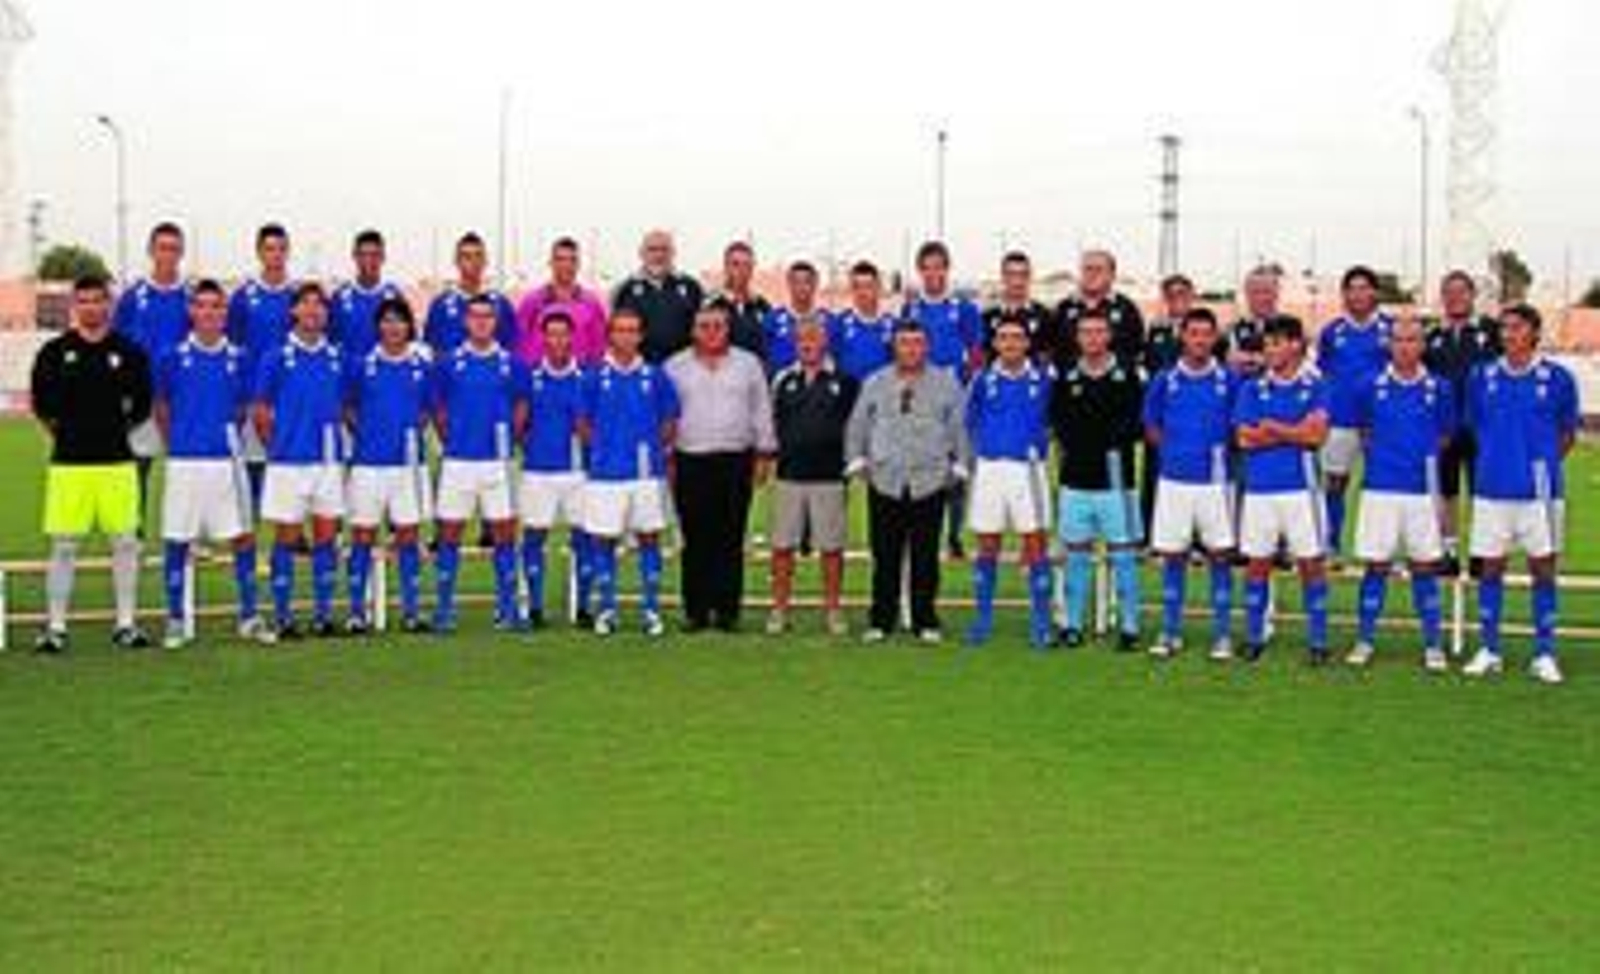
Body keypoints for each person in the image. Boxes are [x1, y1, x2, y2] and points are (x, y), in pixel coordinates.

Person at [29, 274, 153, 653]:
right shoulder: (54, 352)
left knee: (125, 544)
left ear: (109, 305)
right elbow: (43, 406)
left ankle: (126, 624)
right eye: (83, 301)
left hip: (118, 463)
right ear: (74, 306)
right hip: (69, 465)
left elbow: (142, 406)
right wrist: (70, 434)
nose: (90, 307)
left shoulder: (129, 353)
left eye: (98, 300)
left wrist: (111, 432)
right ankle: (56, 627)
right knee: (64, 546)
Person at [1462, 305, 1579, 685]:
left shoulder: (1558, 378)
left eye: (1517, 328)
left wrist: (1536, 464)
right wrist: (1502, 459)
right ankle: (1489, 649)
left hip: (1540, 493)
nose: (1508, 334)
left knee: (1543, 569)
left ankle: (1544, 653)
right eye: (1504, 328)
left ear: (1534, 332)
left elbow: (1566, 435)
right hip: (1491, 489)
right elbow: (1476, 426)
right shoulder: (1482, 376)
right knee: (1490, 568)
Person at [153, 280, 272, 649]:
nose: (209, 313)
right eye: (202, 306)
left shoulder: (239, 358)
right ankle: (175, 619)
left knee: (242, 535)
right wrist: (180, 441)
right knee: (177, 537)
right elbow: (162, 407)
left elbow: (241, 409)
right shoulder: (171, 356)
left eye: (216, 307)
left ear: (225, 314)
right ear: (192, 311)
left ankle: (249, 616)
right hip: (184, 461)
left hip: (226, 460)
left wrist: (221, 436)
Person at [845, 319, 969, 643]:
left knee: (926, 556)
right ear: (894, 346)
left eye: (917, 342)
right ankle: (881, 619)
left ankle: (925, 618)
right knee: (885, 555)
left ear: (926, 346)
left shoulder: (946, 383)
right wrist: (858, 462)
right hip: (885, 478)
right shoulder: (875, 382)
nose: (911, 349)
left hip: (929, 480)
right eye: (904, 342)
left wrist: (958, 469)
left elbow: (960, 428)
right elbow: (858, 424)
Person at [1346, 314, 1455, 672]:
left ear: (1422, 345)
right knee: (1375, 565)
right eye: (1398, 339)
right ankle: (1364, 639)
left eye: (1412, 340)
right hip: (1380, 487)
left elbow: (1444, 435)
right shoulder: (1368, 385)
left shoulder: (1439, 387)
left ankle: (1433, 644)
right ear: (1389, 344)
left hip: (1422, 490)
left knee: (1424, 565)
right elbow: (1363, 431)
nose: (1405, 346)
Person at [665, 303, 776, 632]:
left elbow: (761, 409)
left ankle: (727, 611)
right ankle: (696, 611)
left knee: (730, 536)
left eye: (718, 325)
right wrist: (668, 456)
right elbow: (667, 416)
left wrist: (765, 453)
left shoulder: (748, 364)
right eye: (704, 326)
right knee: (695, 537)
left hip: (735, 458)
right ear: (693, 330)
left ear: (728, 329)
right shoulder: (676, 366)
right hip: (690, 459)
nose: (711, 332)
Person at [1233, 316, 1331, 664]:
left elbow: (1316, 437)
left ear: (1296, 345)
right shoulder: (1251, 388)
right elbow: (1244, 438)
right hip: (1259, 489)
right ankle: (1255, 635)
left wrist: (1272, 427)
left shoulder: (1316, 385)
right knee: (1257, 564)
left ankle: (1318, 640)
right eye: (1267, 344)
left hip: (1301, 489)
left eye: (1277, 343)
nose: (1270, 350)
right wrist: (1293, 430)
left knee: (1310, 563)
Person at [252, 282, 347, 640]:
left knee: (326, 538)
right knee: (287, 539)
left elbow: (347, 405)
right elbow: (259, 408)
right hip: (289, 461)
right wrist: (276, 446)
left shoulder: (337, 356)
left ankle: (323, 614)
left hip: (327, 461)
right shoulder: (276, 356)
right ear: (293, 312)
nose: (313, 310)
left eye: (319, 305)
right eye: (305, 304)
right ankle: (283, 615)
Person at [579, 307, 680, 638]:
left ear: (640, 335)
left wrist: (650, 448)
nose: (626, 336)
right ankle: (607, 610)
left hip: (646, 474)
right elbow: (583, 424)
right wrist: (605, 449)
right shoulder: (593, 376)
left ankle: (651, 610)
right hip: (606, 474)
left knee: (649, 538)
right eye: (620, 330)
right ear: (611, 334)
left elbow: (669, 421)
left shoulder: (656, 376)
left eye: (632, 330)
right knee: (603, 541)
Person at [1144, 308, 1238, 661]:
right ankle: (1170, 631)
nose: (1199, 340)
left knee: (1220, 556)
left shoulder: (1228, 380)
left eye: (1206, 333)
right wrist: (1171, 450)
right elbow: (1151, 423)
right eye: (1193, 333)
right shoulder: (1164, 380)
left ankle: (1223, 633)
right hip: (1173, 481)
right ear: (1182, 337)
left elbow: (1238, 424)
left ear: (1214, 338)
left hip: (1215, 482)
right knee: (1173, 556)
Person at [431, 295, 528, 632]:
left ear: (496, 321)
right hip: (458, 461)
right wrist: (452, 439)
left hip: (498, 463)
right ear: (466, 321)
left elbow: (521, 406)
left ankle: (507, 607)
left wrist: (510, 440)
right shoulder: (448, 362)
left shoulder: (511, 363)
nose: (482, 322)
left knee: (504, 534)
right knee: (450, 535)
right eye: (476, 316)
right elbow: (438, 409)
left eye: (488, 316)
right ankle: (444, 608)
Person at [1050, 308, 1145, 650]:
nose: (1092, 338)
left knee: (1123, 553)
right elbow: (1058, 425)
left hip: (1117, 482)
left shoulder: (1129, 376)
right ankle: (1073, 624)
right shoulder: (1065, 378)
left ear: (1109, 336)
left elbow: (1135, 426)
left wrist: (1106, 442)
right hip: (1074, 479)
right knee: (1076, 552)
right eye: (1085, 332)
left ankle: (1130, 627)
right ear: (1078, 337)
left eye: (1098, 331)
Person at [344, 298, 435, 634]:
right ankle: (357, 611)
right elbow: (348, 408)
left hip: (408, 465)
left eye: (399, 321)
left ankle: (411, 610)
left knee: (408, 536)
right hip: (368, 464)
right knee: (363, 535)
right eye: (387, 321)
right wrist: (367, 435)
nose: (393, 327)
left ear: (409, 327)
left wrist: (408, 434)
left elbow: (428, 410)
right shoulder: (361, 365)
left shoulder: (421, 367)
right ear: (378, 327)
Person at [963, 317, 1055, 650]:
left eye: (1017, 338)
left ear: (1027, 343)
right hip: (990, 469)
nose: (1011, 343)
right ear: (996, 344)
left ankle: (1041, 621)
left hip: (1028, 469)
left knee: (1035, 544)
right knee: (987, 544)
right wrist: (986, 447)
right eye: (1004, 338)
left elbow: (1054, 420)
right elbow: (969, 420)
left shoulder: (1043, 379)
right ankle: (982, 619)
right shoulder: (982, 379)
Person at [768, 316, 858, 636]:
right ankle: (779, 608)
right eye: (802, 338)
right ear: (795, 343)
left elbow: (854, 427)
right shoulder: (782, 380)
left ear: (825, 342)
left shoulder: (845, 382)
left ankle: (833, 609)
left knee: (831, 548)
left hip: (830, 476)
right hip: (789, 475)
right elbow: (773, 423)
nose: (808, 344)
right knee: (782, 547)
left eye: (814, 338)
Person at [903, 240, 983, 559]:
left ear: (946, 270)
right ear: (920, 271)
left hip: (954, 395)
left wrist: (964, 381)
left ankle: (954, 534)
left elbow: (977, 352)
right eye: (927, 268)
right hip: (922, 396)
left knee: (957, 468)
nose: (933, 274)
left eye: (939, 267)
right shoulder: (912, 309)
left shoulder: (963, 308)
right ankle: (925, 532)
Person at [517, 310, 593, 629]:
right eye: (552, 334)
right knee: (534, 537)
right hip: (538, 471)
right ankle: (534, 607)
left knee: (584, 538)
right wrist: (531, 446)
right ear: (543, 339)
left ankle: (583, 607)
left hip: (577, 473)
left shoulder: (587, 379)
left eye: (564, 334)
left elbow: (595, 427)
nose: (558, 340)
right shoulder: (530, 378)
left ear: (572, 339)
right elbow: (518, 423)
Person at [1424, 269, 1501, 571]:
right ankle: (1449, 552)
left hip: (1482, 427)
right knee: (1446, 491)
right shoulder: (1433, 337)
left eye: (1461, 291)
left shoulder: (1491, 331)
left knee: (1481, 491)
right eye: (1449, 292)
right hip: (1444, 427)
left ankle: (1481, 552)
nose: (1455, 297)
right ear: (1443, 298)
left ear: (1472, 295)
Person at [114, 221, 190, 522]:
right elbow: (117, 345)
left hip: (181, 397)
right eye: (162, 248)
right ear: (151, 251)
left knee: (184, 469)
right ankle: (135, 532)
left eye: (174, 249)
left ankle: (187, 535)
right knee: (139, 466)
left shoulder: (191, 296)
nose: (168, 255)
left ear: (181, 253)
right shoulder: (134, 296)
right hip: (142, 393)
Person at [1317, 265, 1393, 557]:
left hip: (1380, 422)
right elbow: (1324, 374)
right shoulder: (1332, 332)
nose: (1358, 294)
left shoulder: (1390, 329)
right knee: (1335, 483)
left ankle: (1381, 550)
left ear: (1375, 292)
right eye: (1352, 288)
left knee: (1384, 486)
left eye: (1364, 287)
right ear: (1344, 294)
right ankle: (1331, 543)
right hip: (1341, 419)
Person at [227, 223, 297, 506]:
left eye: (281, 249)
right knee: (254, 457)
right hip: (254, 391)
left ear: (287, 252)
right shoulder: (244, 296)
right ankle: (253, 520)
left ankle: (292, 526)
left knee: (290, 459)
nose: (275, 255)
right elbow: (233, 344)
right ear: (259, 252)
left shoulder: (298, 296)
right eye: (269, 249)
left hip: (289, 392)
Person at [1141, 273, 1197, 531]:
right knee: (1155, 473)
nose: (1178, 300)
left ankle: (1194, 536)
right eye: (1171, 295)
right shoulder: (1156, 330)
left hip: (1193, 415)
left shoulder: (1204, 332)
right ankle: (1153, 532)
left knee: (1193, 476)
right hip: (1161, 415)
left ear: (1191, 297)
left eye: (1182, 294)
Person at [612, 229, 704, 363]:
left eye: (664, 249)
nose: (658, 255)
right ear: (641, 253)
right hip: (641, 367)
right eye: (652, 249)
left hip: (683, 367)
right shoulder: (625, 289)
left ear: (673, 253)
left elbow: (702, 329)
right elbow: (615, 334)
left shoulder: (691, 287)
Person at [514, 236, 608, 367]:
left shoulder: (592, 304)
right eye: (560, 259)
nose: (566, 265)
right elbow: (519, 345)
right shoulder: (531, 301)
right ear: (550, 263)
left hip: (579, 381)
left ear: (578, 265)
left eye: (572, 260)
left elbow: (599, 348)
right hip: (539, 381)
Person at [424, 232, 518, 354]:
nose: (473, 262)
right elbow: (431, 348)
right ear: (457, 261)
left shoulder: (500, 304)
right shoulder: (440, 305)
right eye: (467, 256)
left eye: (478, 256)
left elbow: (510, 347)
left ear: (485, 261)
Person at [1051, 249, 1146, 370]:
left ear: (1112, 275)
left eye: (1098, 269)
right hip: (1069, 383)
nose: (1092, 274)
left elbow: (1137, 350)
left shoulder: (1127, 308)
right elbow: (1052, 350)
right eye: (1087, 269)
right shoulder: (1064, 308)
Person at [329, 229, 405, 360]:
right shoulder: (340, 297)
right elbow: (330, 338)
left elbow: (405, 341)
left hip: (382, 375)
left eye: (374, 255)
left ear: (383, 258)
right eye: (363, 254)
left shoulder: (394, 296)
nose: (368, 260)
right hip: (348, 375)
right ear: (354, 256)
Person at [979, 250, 1053, 365]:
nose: (1017, 281)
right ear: (1003, 277)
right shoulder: (987, 317)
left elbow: (1048, 357)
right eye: (1012, 274)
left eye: (1023, 274)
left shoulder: (1045, 315)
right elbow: (983, 356)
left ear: (1029, 277)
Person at [704, 241, 772, 360]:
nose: (741, 270)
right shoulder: (711, 305)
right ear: (726, 267)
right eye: (735, 264)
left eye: (747, 265)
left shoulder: (762, 305)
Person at [830, 260, 895, 382]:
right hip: (849, 395)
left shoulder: (892, 324)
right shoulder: (839, 323)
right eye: (857, 287)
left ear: (878, 288)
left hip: (882, 394)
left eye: (868, 286)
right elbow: (831, 360)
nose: (862, 293)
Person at [1223, 264, 1292, 378]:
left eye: (1267, 291)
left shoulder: (1292, 328)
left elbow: (1298, 364)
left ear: (1277, 293)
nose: (1261, 298)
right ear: (1246, 294)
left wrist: (1259, 360)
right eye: (1256, 292)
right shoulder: (1232, 330)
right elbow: (1229, 362)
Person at [762, 260, 825, 373]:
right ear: (789, 284)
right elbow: (763, 358)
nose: (801, 287)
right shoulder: (771, 320)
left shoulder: (829, 321)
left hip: (819, 388)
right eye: (796, 282)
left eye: (807, 282)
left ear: (815, 284)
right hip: (779, 387)